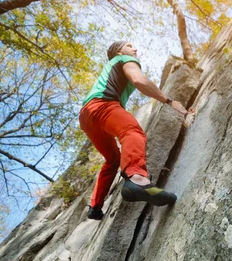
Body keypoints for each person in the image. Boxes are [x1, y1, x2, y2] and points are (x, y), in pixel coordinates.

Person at [79, 41, 187, 220]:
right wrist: (169, 101)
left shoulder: (112, 66)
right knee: (132, 132)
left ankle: (95, 207)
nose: (135, 49)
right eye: (129, 45)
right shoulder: (124, 59)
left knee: (113, 160)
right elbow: (139, 80)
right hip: (102, 104)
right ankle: (137, 179)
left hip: (87, 116)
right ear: (119, 51)